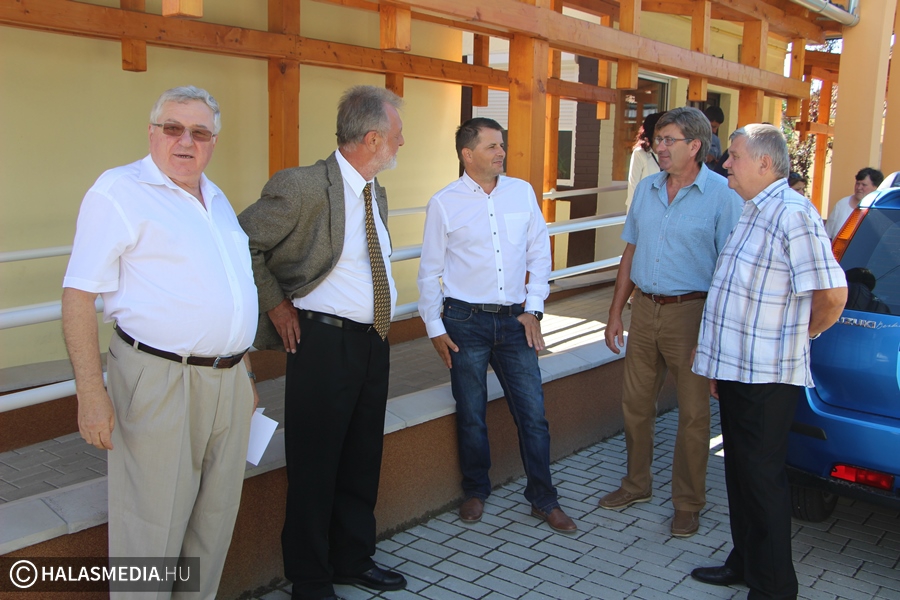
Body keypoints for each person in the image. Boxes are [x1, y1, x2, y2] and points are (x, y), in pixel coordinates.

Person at [61, 86, 259, 599]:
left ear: (213, 142)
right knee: (149, 531)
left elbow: (232, 292)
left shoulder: (216, 199)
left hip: (229, 381)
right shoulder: (118, 192)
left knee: (213, 523)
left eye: (199, 132)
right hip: (159, 378)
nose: (185, 141)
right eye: (173, 128)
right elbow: (78, 296)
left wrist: (245, 374)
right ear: (152, 133)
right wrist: (90, 394)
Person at [238, 86, 407, 600]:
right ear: (372, 138)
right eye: (397, 135)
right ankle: (310, 580)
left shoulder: (375, 190)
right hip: (324, 346)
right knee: (315, 465)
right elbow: (240, 241)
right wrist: (275, 303)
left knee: (362, 458)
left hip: (374, 342)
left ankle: (352, 559)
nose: (402, 144)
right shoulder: (303, 186)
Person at [691, 124, 847, 599]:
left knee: (762, 481)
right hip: (736, 370)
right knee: (740, 475)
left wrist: (802, 335)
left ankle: (775, 588)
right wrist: (718, 366)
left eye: (734, 155)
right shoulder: (753, 209)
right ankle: (745, 562)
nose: (725, 163)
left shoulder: (792, 213)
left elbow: (832, 294)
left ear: (764, 162)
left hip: (767, 377)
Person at [417, 117, 577, 534]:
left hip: (514, 322)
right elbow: (429, 270)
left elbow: (539, 252)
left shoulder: (521, 192)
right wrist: (434, 327)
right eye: (492, 146)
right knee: (471, 412)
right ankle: (475, 490)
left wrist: (534, 308)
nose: (501, 152)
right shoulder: (444, 203)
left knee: (533, 414)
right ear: (467, 154)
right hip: (464, 322)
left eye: (501, 145)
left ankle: (543, 498)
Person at [598, 107, 742, 538]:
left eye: (668, 141)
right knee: (635, 405)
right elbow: (630, 252)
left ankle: (688, 503)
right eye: (657, 140)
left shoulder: (723, 196)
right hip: (644, 310)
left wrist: (714, 333)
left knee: (694, 415)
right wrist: (615, 312)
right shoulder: (647, 188)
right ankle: (636, 484)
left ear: (695, 146)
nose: (658, 147)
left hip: (693, 314)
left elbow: (730, 270)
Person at [825, 167, 884, 239]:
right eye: (857, 184)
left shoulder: (881, 210)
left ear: (876, 187)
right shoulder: (841, 205)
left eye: (864, 185)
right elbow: (827, 235)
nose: (859, 188)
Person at [626, 112, 665, 210]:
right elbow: (633, 186)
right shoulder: (640, 153)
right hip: (644, 208)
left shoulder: (669, 153)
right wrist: (631, 215)